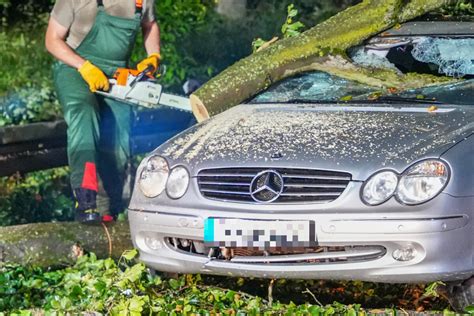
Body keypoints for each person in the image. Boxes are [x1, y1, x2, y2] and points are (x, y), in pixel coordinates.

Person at [45, 0, 161, 224]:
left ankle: (111, 208)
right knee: (84, 113)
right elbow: (52, 40)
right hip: (75, 69)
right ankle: (86, 200)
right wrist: (84, 66)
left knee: (119, 135)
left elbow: (150, 24)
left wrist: (153, 56)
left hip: (118, 76)